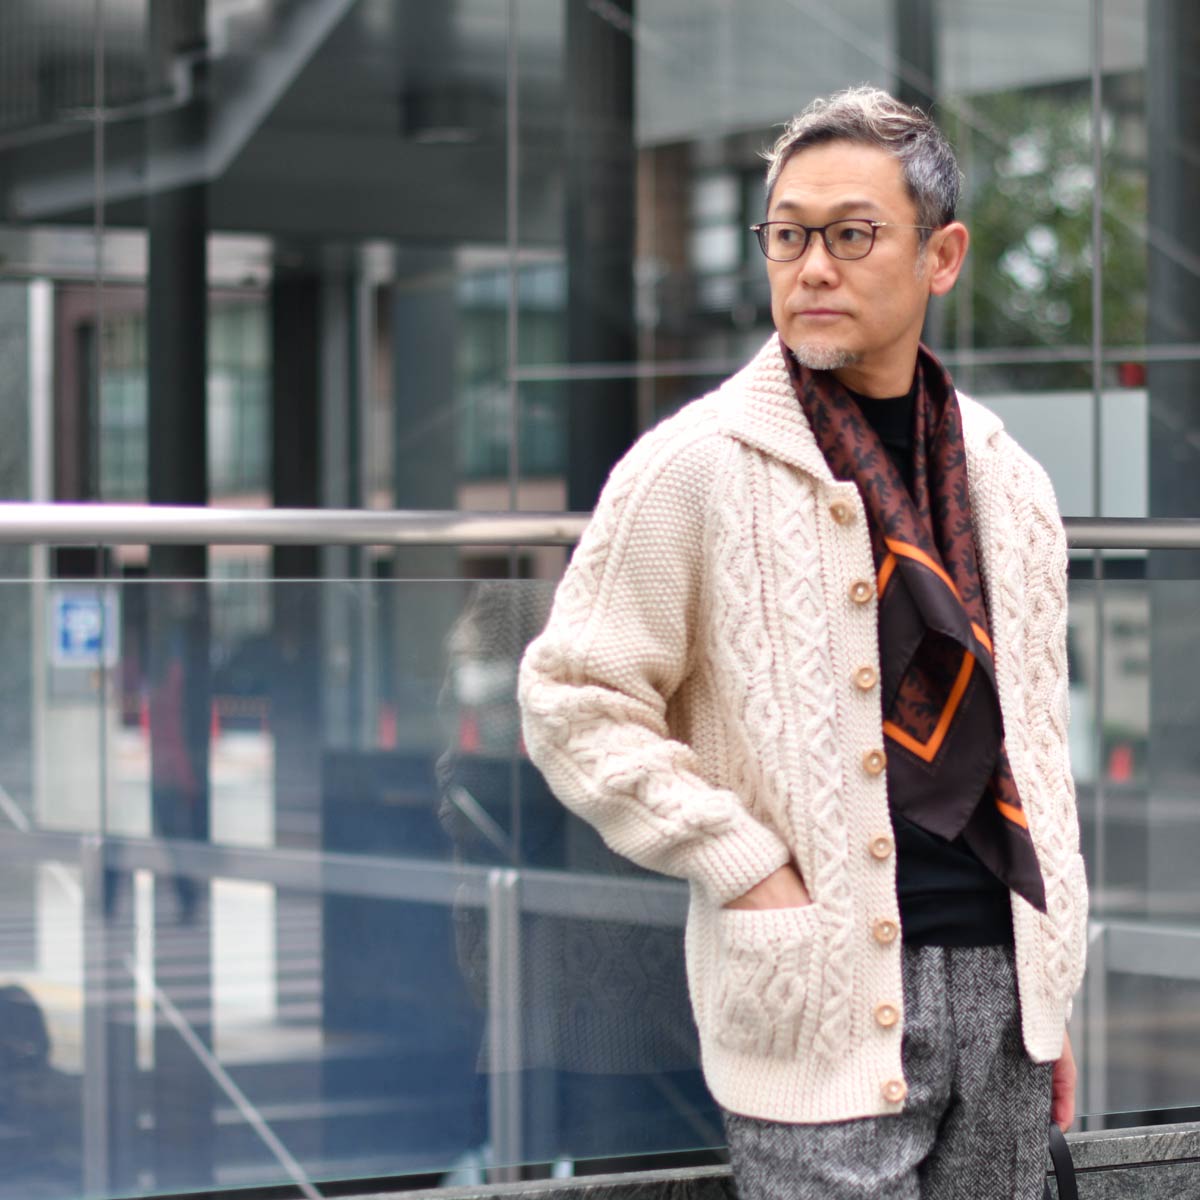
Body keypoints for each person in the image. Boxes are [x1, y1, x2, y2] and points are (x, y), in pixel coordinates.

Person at [518, 86, 1087, 1200]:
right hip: (818, 987)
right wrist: (742, 865)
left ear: (942, 255)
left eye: (852, 235)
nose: (813, 266)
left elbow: (1038, 749)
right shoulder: (694, 465)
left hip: (1007, 992)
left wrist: (1050, 992)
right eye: (788, 236)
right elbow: (573, 697)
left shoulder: (1008, 479)